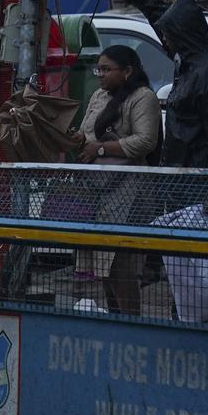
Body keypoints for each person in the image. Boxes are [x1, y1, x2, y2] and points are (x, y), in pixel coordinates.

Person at [69, 45, 161, 315]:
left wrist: (101, 149)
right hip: (97, 191)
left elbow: (145, 141)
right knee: (103, 265)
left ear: (128, 71)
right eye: (99, 69)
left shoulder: (143, 98)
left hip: (129, 191)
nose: (100, 75)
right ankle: (115, 320)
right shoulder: (99, 95)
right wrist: (75, 139)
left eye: (106, 69)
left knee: (121, 265)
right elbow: (87, 135)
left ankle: (130, 325)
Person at [120, 0, 208, 169]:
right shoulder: (186, 61)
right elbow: (162, 19)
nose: (163, 38)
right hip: (179, 177)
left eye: (168, 34)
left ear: (181, 36)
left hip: (199, 180)